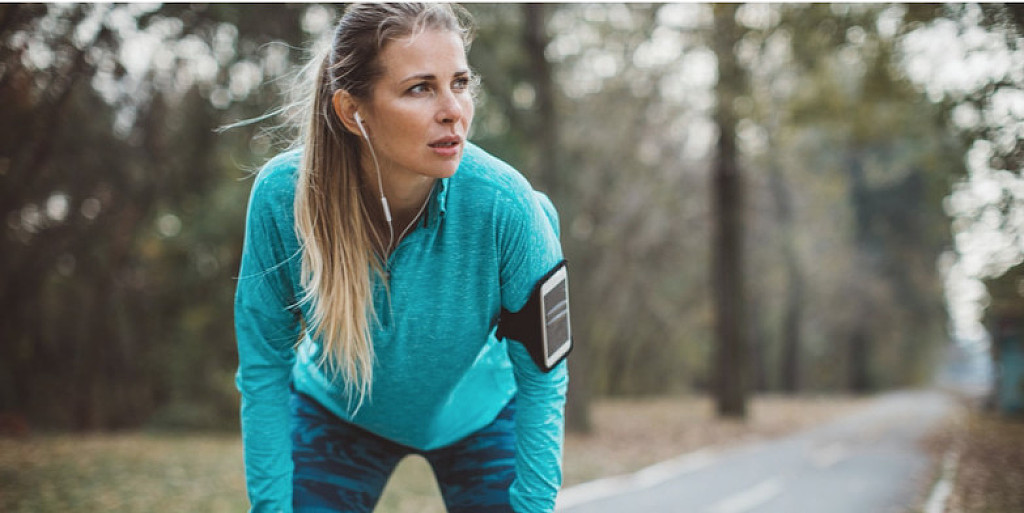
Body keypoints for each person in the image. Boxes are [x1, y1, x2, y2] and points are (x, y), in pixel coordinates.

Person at [233, 3, 570, 513]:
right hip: (336, 414)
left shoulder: (510, 205)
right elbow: (263, 366)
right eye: (420, 88)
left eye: (460, 83)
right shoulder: (283, 197)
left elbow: (545, 378)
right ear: (352, 111)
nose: (453, 110)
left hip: (480, 415)